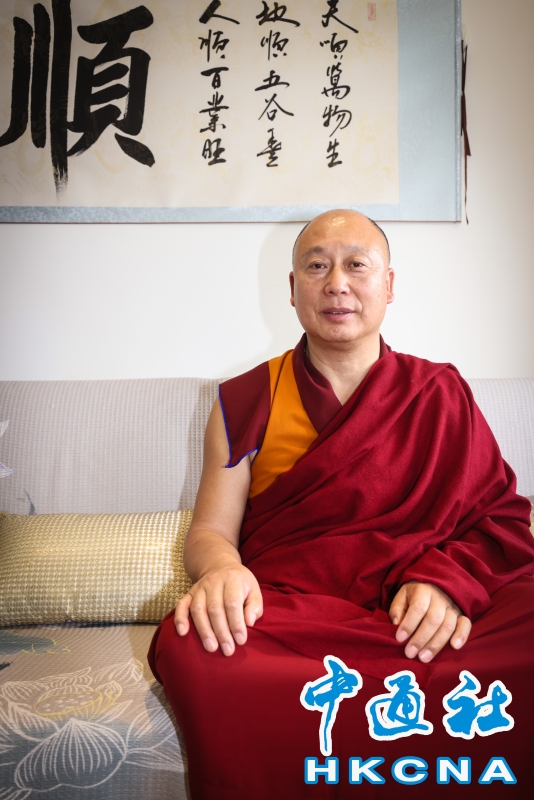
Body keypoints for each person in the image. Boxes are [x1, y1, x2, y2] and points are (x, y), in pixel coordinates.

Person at [148, 210, 534, 799]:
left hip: (416, 612)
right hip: (297, 612)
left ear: (389, 285)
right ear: (292, 288)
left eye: (357, 265)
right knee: (190, 643)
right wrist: (223, 569)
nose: (336, 284)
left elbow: (500, 519)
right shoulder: (246, 399)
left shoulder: (439, 392)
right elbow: (210, 533)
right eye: (316, 266)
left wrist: (447, 583)